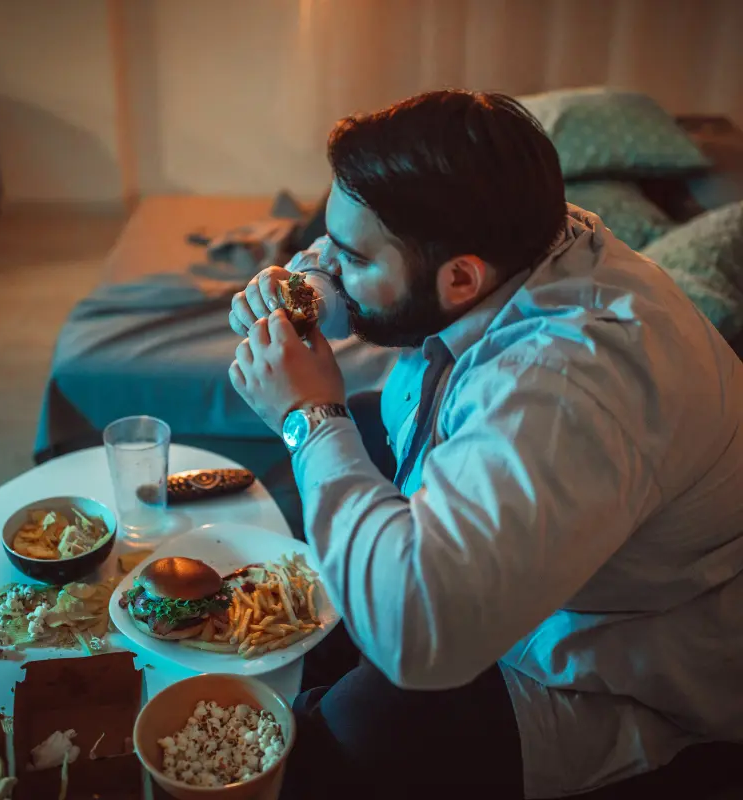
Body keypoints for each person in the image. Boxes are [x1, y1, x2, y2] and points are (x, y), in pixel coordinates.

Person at [226, 90, 743, 799]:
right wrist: (307, 287)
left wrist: (307, 416)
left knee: (353, 738)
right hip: (560, 554)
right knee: (345, 445)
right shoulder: (529, 230)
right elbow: (343, 259)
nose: (332, 262)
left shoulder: (568, 389)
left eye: (353, 255)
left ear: (461, 277)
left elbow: (421, 633)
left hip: (614, 660)